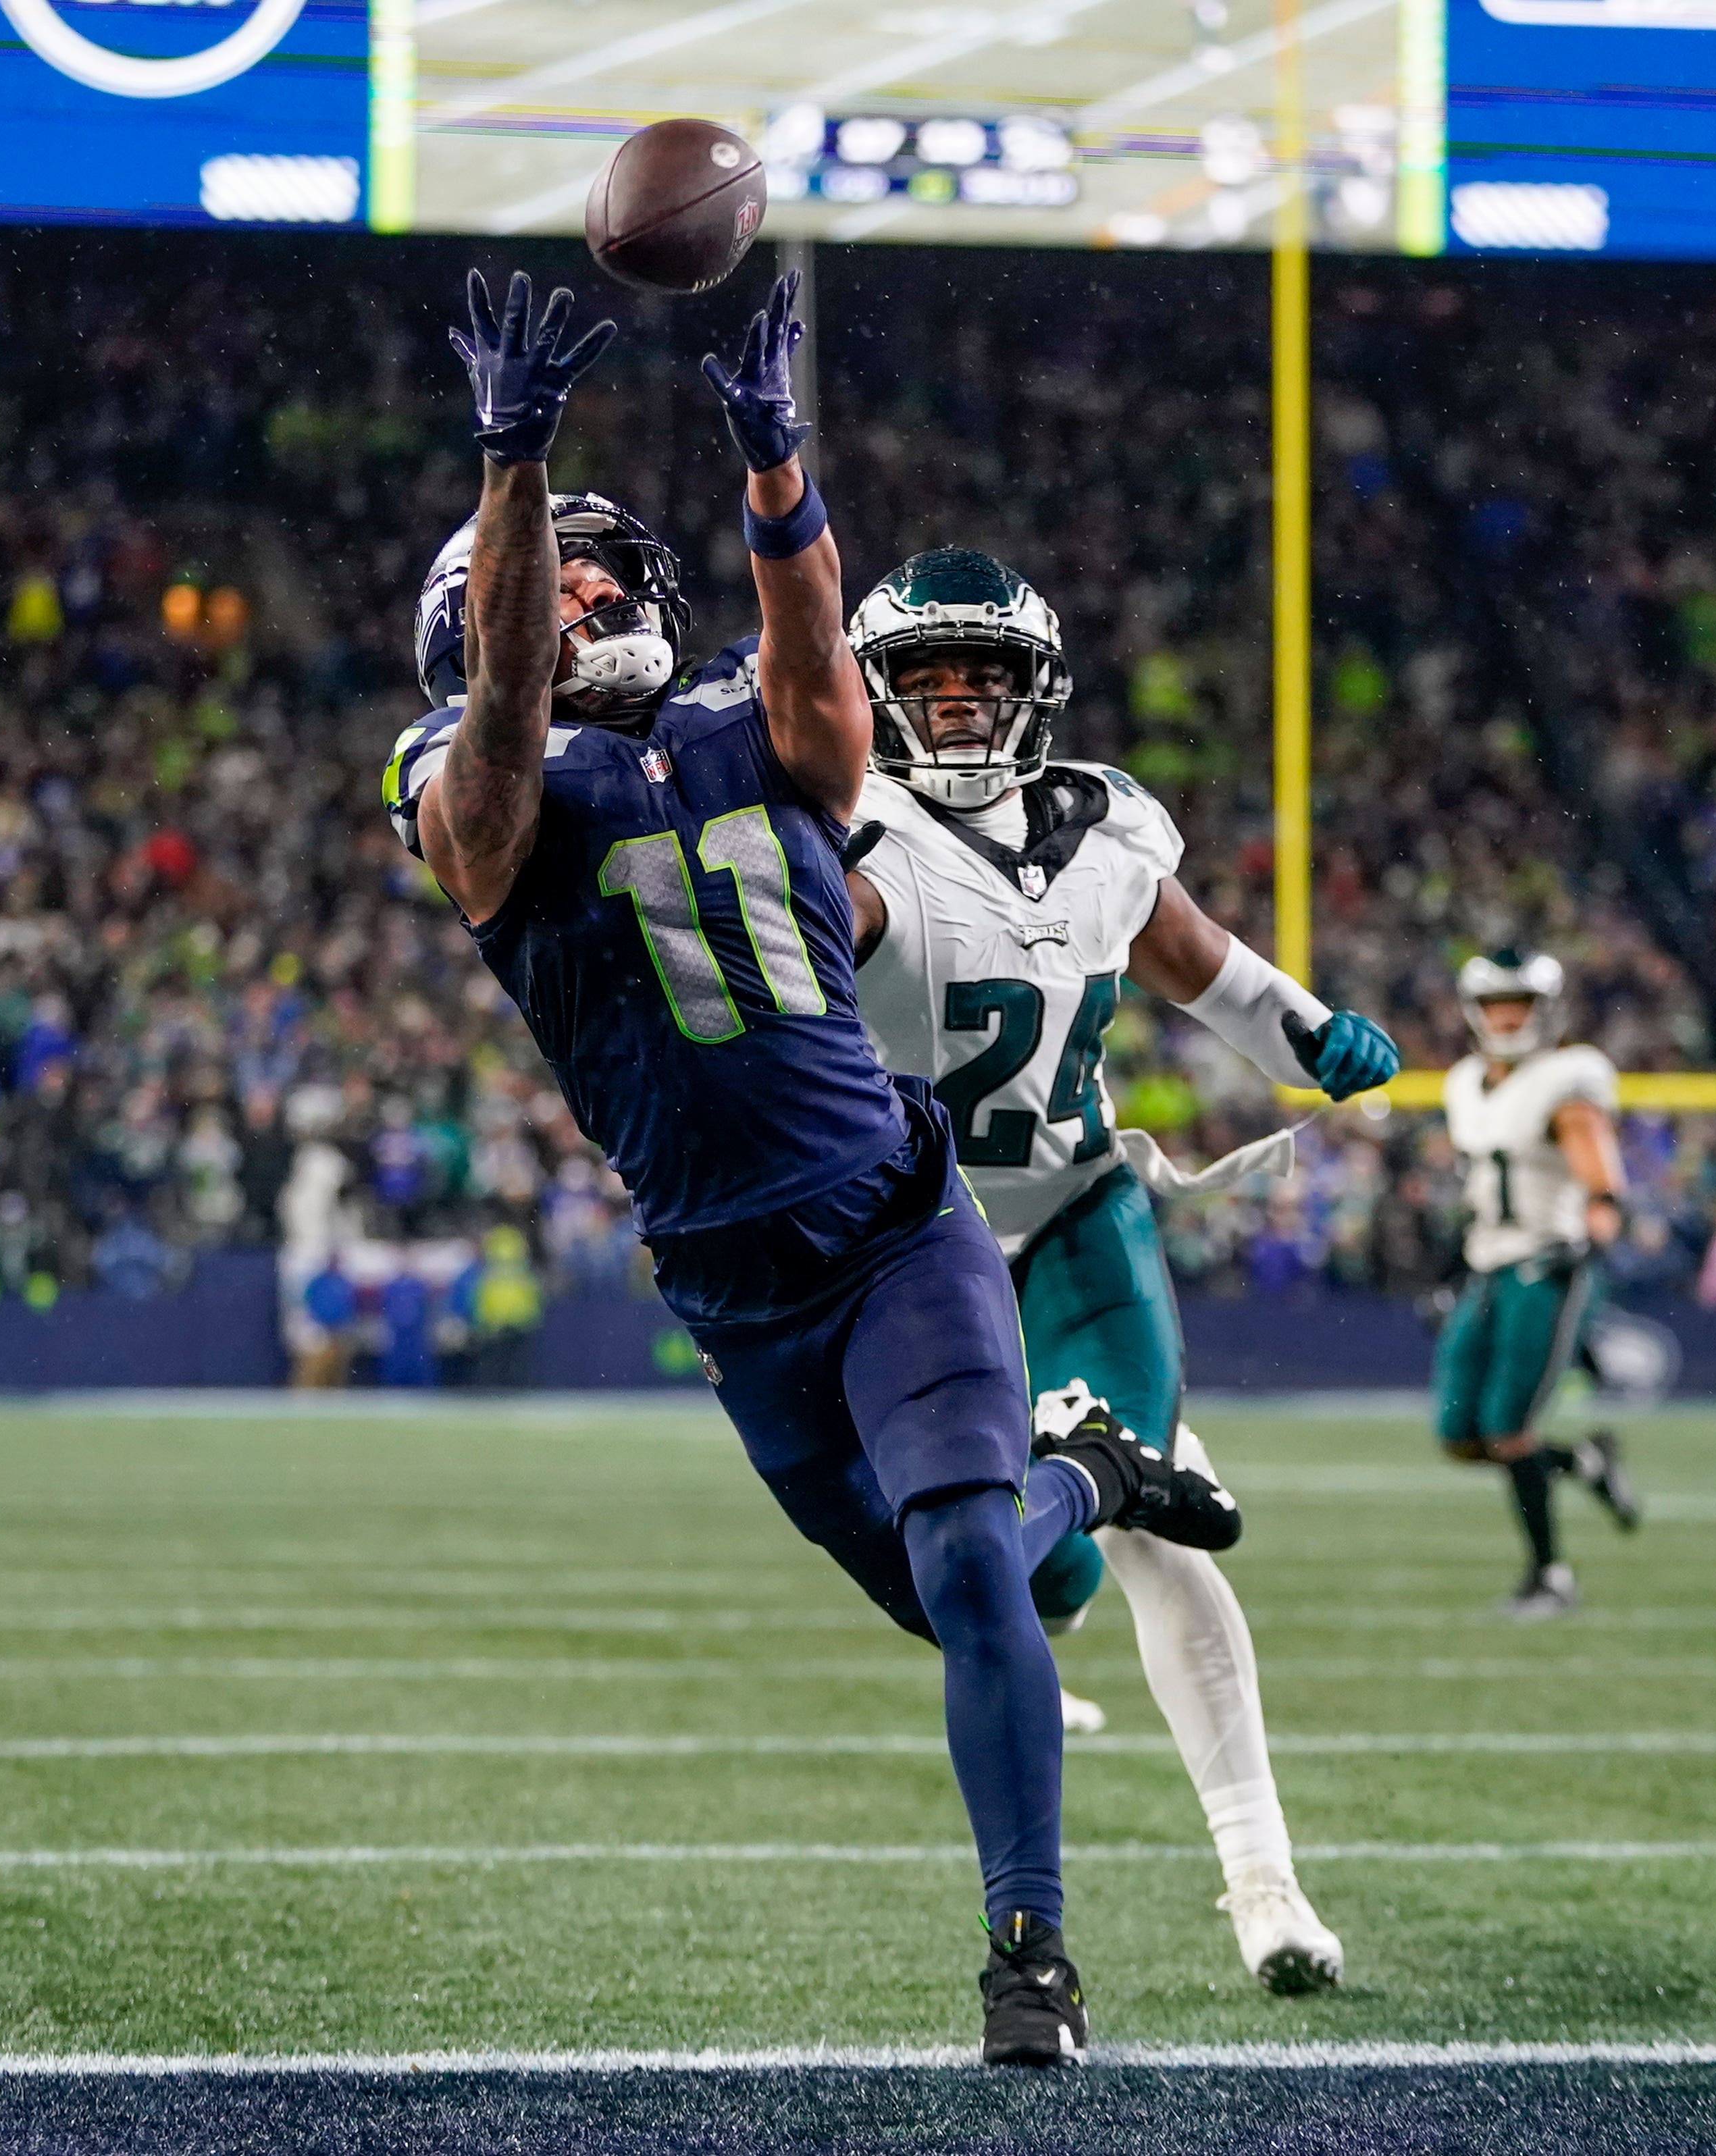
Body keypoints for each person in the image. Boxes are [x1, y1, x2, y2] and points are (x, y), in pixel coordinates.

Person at [386, 273, 1243, 2066]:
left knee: (961, 1577)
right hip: (733, 1289)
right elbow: (492, 737)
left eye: (618, 577)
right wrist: (514, 456)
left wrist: (776, 466)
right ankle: (1080, 1478)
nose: (595, 597)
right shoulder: (464, 788)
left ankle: (1031, 1961)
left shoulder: (747, 729)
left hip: (894, 1223)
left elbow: (815, 676)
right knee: (983, 1580)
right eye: (562, 581)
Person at [839, 547, 1399, 1993]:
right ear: (874, 695)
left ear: (1038, 690)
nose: (956, 703)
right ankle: (1056, 1563)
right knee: (1039, 1561)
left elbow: (1198, 964)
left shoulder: (1104, 830)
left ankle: (1264, 1884)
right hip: (919, 1244)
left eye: (983, 676)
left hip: (1081, 1210)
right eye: (924, 677)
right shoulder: (839, 835)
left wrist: (1310, 1034)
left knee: (1151, 1509)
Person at [1436, 950, 1642, 1616]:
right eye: (1496, 1002)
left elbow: (1602, 1183)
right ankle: (1584, 1460)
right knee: (1459, 1434)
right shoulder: (1465, 1082)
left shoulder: (1566, 1082)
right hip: (1485, 1262)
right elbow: (1477, 1187)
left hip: (1543, 1264)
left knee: (1509, 1430)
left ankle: (1550, 1576)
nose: (1506, 1016)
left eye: (1518, 1003)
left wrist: (1595, 1226)